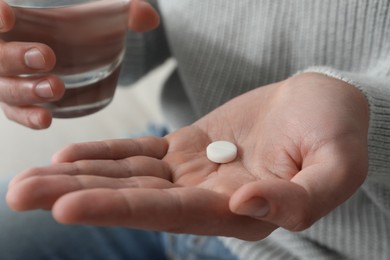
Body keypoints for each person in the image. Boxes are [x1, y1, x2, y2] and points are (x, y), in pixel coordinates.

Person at [1, 0, 389, 259]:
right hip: (174, 157)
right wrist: (68, 31)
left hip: (327, 244)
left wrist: (365, 108)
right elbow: (152, 21)